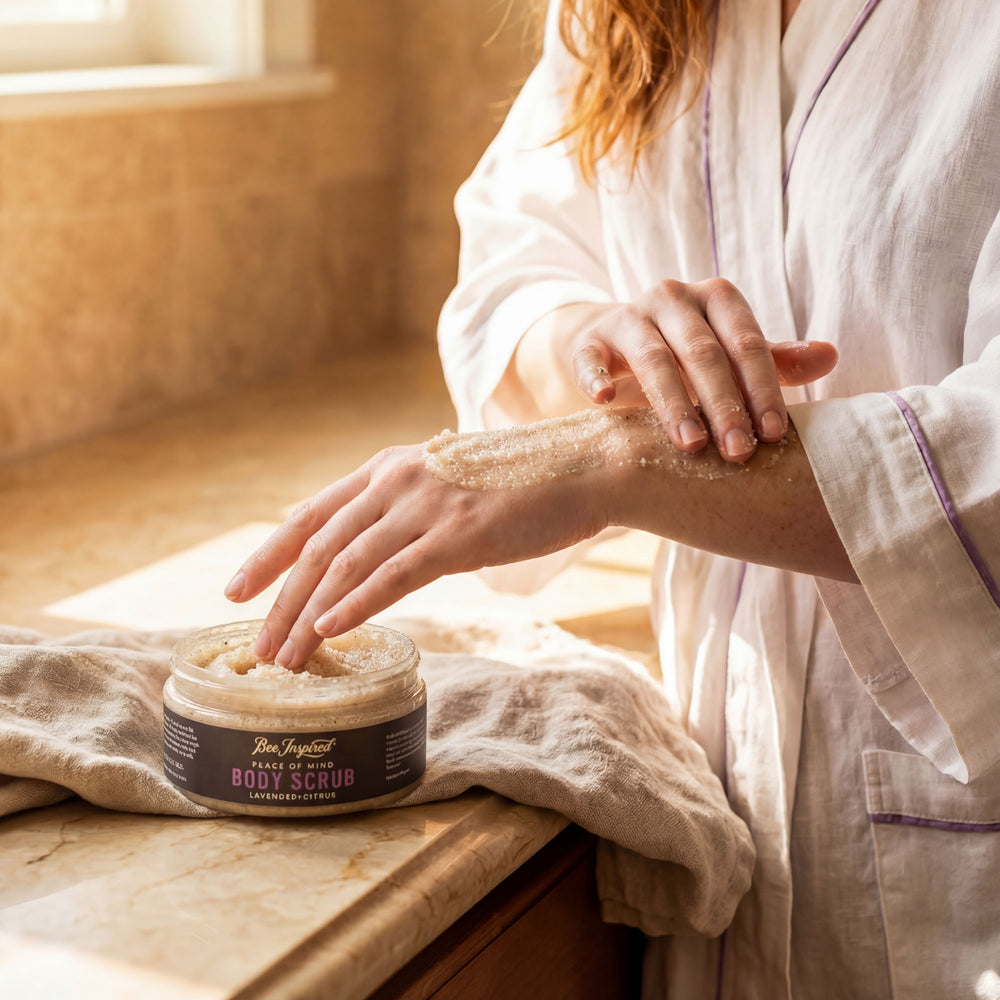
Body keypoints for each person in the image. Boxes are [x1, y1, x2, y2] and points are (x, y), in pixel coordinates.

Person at [225, 0, 1000, 995]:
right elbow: (518, 253)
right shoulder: (616, 10)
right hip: (728, 820)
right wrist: (597, 343)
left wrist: (613, 462)